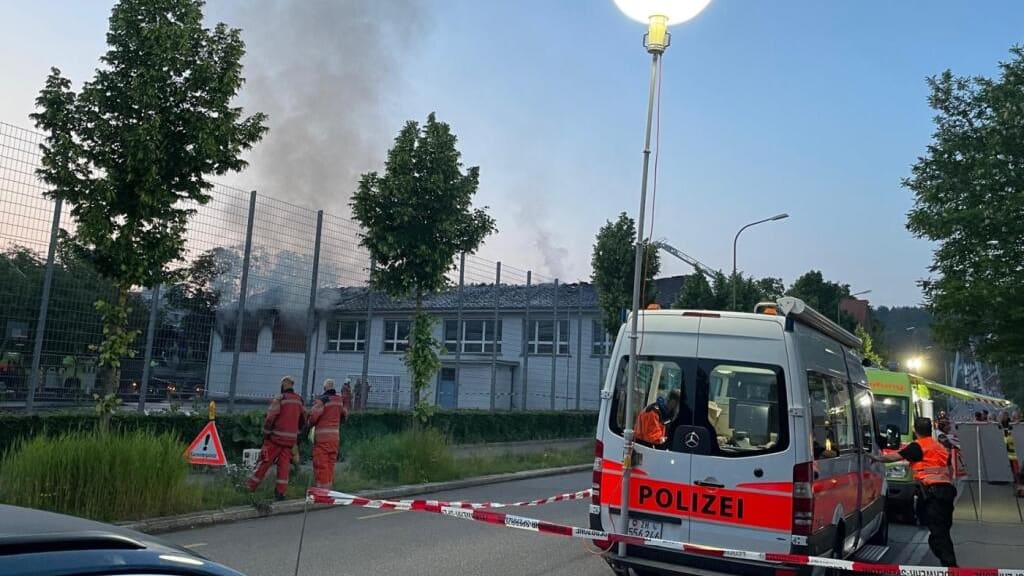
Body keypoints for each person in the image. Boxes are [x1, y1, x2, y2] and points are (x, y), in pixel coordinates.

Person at [870, 417, 957, 567]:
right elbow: (950, 470)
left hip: (933, 493)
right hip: (947, 492)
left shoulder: (918, 446)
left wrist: (876, 458)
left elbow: (893, 457)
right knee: (942, 529)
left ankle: (951, 567)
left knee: (938, 534)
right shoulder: (939, 447)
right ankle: (948, 564)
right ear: (930, 430)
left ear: (915, 431)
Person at [247, 376, 306, 500]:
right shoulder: (299, 400)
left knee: (264, 462)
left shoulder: (280, 398)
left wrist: (266, 433)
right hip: (290, 441)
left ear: (283, 385)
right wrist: (297, 434)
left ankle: (250, 488)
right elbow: (303, 419)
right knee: (284, 467)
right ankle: (280, 493)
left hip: (275, 438)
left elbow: (270, 418)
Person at [308, 378, 348, 489]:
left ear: (324, 388)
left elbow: (313, 418)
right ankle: (329, 491)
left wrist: (307, 425)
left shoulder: (322, 400)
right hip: (335, 438)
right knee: (330, 465)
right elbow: (344, 415)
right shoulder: (339, 400)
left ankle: (322, 492)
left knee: (321, 465)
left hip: (322, 439)